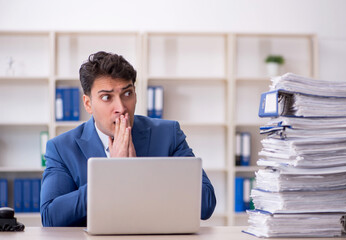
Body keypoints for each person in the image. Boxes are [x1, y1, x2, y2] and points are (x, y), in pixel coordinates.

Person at [40, 51, 217, 227]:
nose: (121, 107)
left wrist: (139, 172)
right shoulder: (61, 148)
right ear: (88, 104)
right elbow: (51, 218)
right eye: (107, 97)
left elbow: (206, 204)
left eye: (127, 94)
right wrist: (111, 174)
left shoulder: (168, 134)